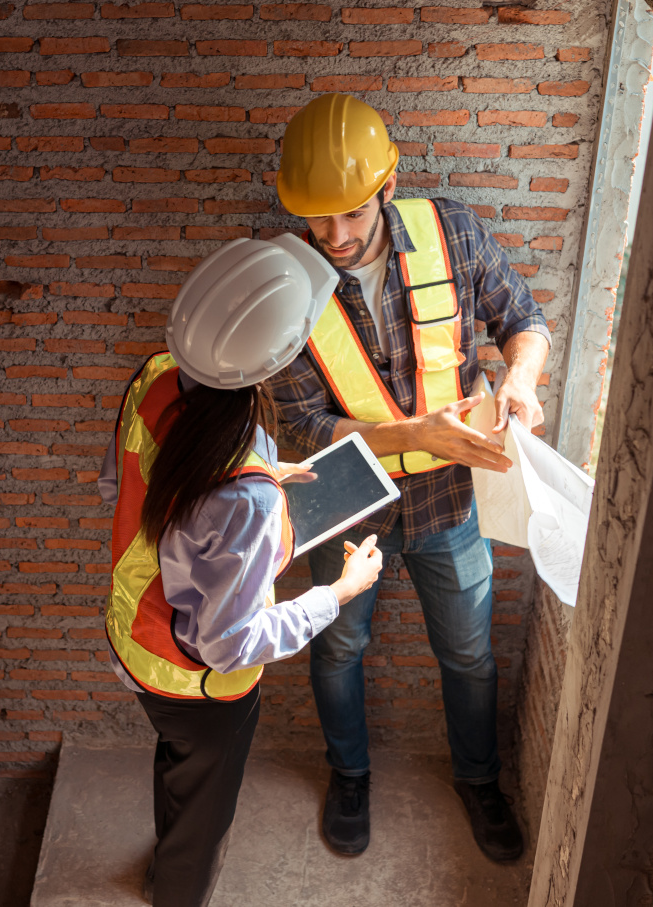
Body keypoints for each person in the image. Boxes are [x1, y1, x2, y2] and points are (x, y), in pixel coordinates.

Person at [266, 93, 551, 863]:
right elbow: (303, 427)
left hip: (450, 501)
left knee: (468, 652)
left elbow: (523, 319)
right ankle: (349, 775)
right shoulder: (284, 285)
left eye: (352, 215)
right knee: (337, 648)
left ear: (388, 187)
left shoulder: (450, 231)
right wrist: (410, 434)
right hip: (347, 502)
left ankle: (477, 779)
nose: (335, 236)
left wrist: (520, 379)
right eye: (319, 219)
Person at [100, 233, 389, 907]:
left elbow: (144, 480)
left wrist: (260, 470)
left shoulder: (156, 375)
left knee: (180, 769)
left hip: (133, 635)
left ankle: (160, 866)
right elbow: (229, 641)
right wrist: (338, 592)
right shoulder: (245, 496)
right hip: (200, 683)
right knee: (203, 813)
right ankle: (174, 890)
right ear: (271, 362)